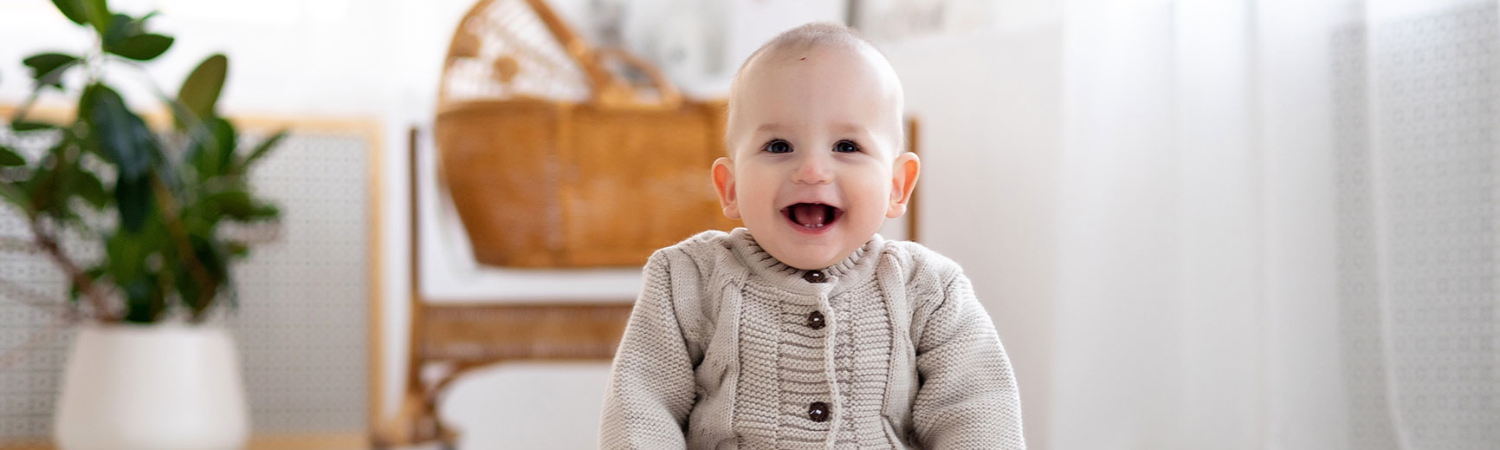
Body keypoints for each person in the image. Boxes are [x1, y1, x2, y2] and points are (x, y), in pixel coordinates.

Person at [599, 22, 1024, 450]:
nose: (812, 171)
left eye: (847, 146)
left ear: (897, 186)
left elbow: (979, 413)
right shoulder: (687, 279)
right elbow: (640, 408)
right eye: (779, 146)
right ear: (731, 188)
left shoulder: (929, 289)